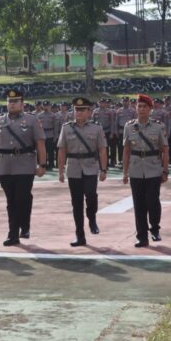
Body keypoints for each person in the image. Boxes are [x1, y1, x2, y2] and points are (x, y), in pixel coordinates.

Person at [0, 89, 47, 246]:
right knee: (11, 201)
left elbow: (40, 143)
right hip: (5, 166)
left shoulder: (32, 120)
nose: (12, 104)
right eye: (10, 101)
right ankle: (13, 234)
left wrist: (42, 164)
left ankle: (24, 225)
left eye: (15, 101)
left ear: (22, 104)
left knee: (22, 197)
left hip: (25, 165)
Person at [57, 97, 108, 246]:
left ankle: (92, 218)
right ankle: (80, 235)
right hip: (73, 168)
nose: (78, 112)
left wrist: (103, 169)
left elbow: (102, 150)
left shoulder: (96, 128)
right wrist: (61, 171)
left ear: (89, 112)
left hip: (90, 166)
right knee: (76, 203)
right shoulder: (66, 128)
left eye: (82, 110)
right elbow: (62, 150)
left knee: (91, 195)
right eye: (76, 110)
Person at [122, 94, 168, 247]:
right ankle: (141, 236)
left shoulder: (158, 126)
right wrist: (125, 172)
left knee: (152, 201)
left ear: (150, 109)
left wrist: (165, 170)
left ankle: (154, 228)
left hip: (153, 168)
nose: (141, 109)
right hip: (135, 169)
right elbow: (126, 150)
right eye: (139, 106)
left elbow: (164, 149)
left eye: (144, 107)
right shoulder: (129, 126)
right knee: (139, 203)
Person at [93, 98, 117, 168]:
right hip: (98, 132)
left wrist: (112, 133)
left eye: (103, 103)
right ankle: (99, 163)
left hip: (107, 131)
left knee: (106, 148)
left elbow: (112, 122)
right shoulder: (95, 111)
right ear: (98, 103)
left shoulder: (110, 111)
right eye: (100, 102)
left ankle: (106, 163)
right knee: (98, 148)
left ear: (105, 103)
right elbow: (93, 122)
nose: (102, 104)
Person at [37, 101, 59, 171]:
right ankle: (43, 164)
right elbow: (37, 127)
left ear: (50, 106)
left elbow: (56, 127)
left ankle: (51, 164)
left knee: (50, 151)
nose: (46, 107)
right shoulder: (39, 115)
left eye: (47, 106)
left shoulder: (53, 115)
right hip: (42, 135)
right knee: (42, 151)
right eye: (44, 105)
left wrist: (55, 137)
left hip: (50, 135)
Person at [115, 97, 137, 166]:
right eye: (124, 101)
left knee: (131, 145)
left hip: (130, 131)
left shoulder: (133, 111)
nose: (125, 102)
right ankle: (120, 160)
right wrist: (116, 131)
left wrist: (135, 132)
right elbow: (116, 122)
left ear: (129, 102)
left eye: (126, 101)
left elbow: (135, 121)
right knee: (120, 146)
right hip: (121, 131)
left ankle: (130, 159)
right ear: (122, 102)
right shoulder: (119, 111)